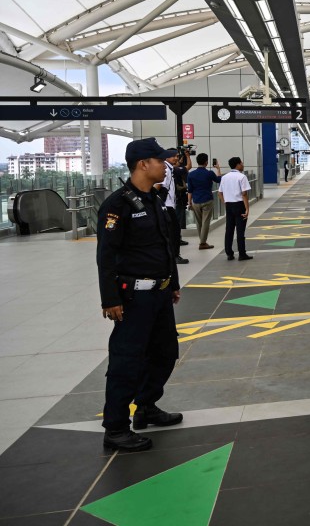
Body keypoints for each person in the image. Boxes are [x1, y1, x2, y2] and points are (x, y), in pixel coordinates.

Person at [96, 138, 184, 452]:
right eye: (160, 161)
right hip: (132, 297)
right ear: (143, 164)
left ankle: (146, 406)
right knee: (127, 361)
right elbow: (106, 255)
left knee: (165, 354)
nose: (166, 165)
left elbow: (164, 246)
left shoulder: (154, 200)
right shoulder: (118, 205)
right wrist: (110, 299)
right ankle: (116, 427)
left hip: (159, 295)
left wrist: (172, 282)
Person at [156, 150, 189, 264]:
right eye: (174, 156)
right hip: (167, 205)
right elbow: (159, 185)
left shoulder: (170, 168)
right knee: (174, 231)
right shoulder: (165, 169)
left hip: (170, 204)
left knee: (173, 231)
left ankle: (173, 255)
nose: (176, 158)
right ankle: (174, 256)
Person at [220, 156, 253, 261]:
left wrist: (225, 203)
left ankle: (229, 253)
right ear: (237, 165)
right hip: (239, 205)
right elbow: (244, 194)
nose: (243, 165)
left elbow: (220, 193)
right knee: (240, 230)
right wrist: (247, 209)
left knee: (229, 230)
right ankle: (242, 254)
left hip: (229, 205)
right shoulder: (241, 177)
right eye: (241, 163)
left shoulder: (224, 177)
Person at [187, 153, 222, 249]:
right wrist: (218, 169)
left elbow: (190, 190)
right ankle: (202, 243)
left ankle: (202, 241)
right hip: (207, 199)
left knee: (198, 222)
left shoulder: (191, 174)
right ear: (206, 162)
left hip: (196, 200)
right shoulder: (209, 173)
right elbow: (219, 180)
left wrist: (189, 202)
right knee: (206, 222)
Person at [173, 151, 191, 235]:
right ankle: (177, 238)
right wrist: (187, 156)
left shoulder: (170, 169)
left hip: (176, 199)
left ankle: (178, 238)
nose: (178, 160)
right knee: (178, 219)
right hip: (178, 198)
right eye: (176, 157)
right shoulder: (174, 170)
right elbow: (189, 166)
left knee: (177, 218)